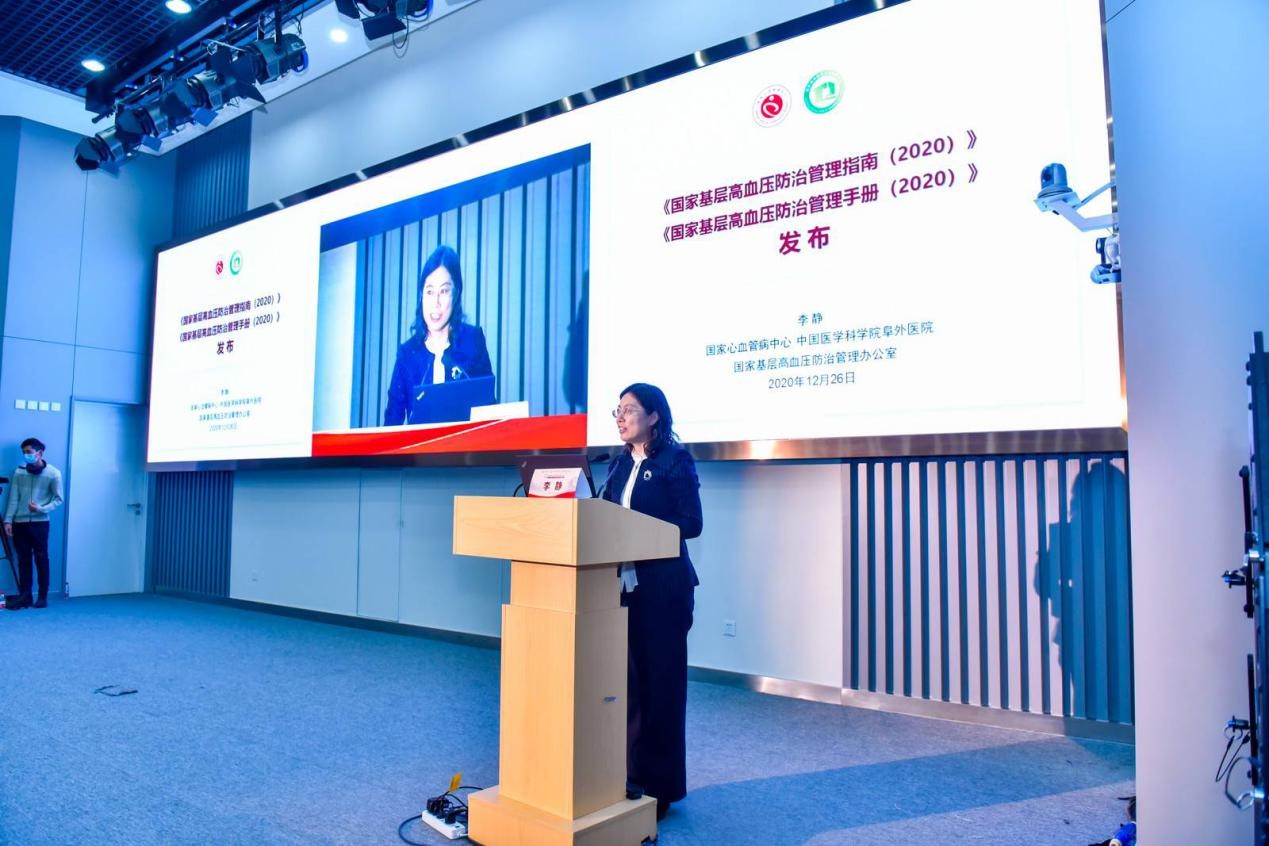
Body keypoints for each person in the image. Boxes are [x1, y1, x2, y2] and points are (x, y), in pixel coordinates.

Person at [601, 383, 702, 820]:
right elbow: (604, 514)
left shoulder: (674, 460)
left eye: (629, 410)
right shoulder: (619, 464)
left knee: (662, 687)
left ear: (654, 416)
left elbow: (691, 523)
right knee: (630, 687)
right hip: (623, 588)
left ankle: (661, 787)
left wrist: (639, 529)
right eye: (617, 410)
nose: (620, 417)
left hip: (664, 590)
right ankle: (631, 775)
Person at [383, 245, 494, 425]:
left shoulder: (473, 341)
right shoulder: (407, 354)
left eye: (443, 291)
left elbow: (489, 411)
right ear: (421, 295)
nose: (435, 303)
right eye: (429, 291)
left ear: (456, 294)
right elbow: (392, 421)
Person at [3, 438, 64, 610]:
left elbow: (58, 499)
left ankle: (42, 596)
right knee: (23, 560)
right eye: (24, 452)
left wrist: (41, 508)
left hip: (40, 524)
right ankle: (25, 596)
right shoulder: (19, 471)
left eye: (29, 452)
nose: (26, 455)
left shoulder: (53, 473)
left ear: (40, 453)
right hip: (20, 523)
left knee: (41, 558)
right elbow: (13, 498)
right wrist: (8, 520)